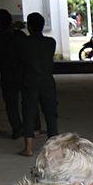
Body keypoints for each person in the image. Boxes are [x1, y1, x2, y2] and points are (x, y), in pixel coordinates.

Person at [17, 12, 58, 156]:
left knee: (29, 113)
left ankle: (28, 148)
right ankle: (53, 150)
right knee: (50, 113)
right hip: (47, 81)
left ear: (29, 26)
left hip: (30, 81)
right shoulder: (51, 42)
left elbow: (19, 59)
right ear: (42, 26)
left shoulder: (22, 43)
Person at [0, 9, 25, 139]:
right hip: (22, 73)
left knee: (11, 104)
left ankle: (17, 129)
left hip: (7, 74)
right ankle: (31, 128)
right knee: (27, 101)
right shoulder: (20, 35)